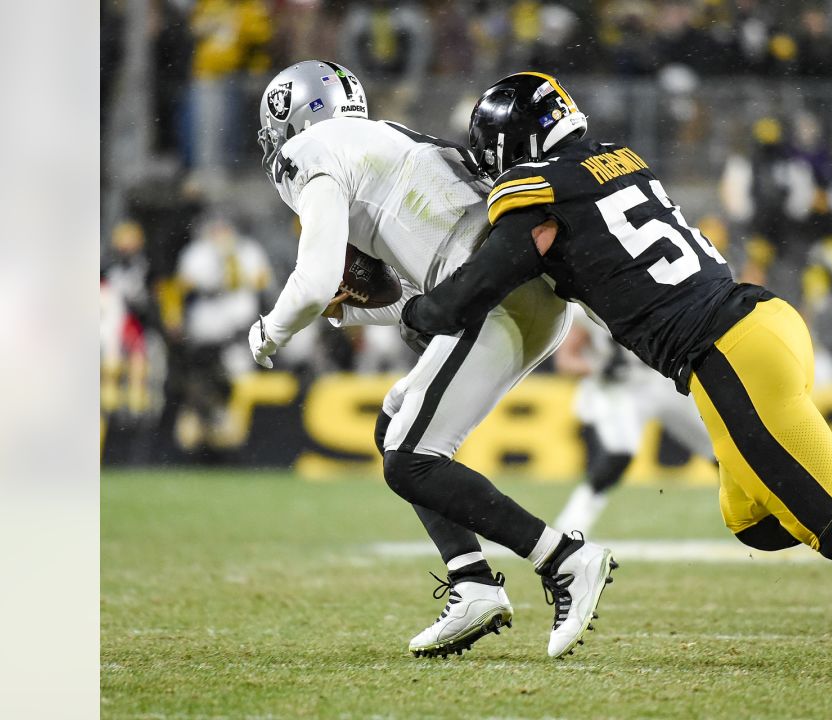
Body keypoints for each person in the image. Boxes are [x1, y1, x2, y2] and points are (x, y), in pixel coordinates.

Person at [401, 72, 832, 656]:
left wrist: (408, 312)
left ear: (516, 143)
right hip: (759, 328)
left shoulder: (537, 192)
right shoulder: (616, 158)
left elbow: (475, 290)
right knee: (757, 522)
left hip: (726, 348)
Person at [247, 61, 616, 660]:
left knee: (410, 461)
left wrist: (269, 332)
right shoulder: (383, 143)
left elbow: (314, 281)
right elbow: (416, 300)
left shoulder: (313, 150)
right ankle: (472, 583)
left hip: (495, 296)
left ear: (293, 114)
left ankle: (565, 559)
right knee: (395, 428)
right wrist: (341, 313)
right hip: (518, 293)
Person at [553, 304, 716, 535]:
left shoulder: (661, 291)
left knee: (720, 450)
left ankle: (754, 509)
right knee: (618, 455)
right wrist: (598, 368)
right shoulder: (588, 307)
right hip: (621, 389)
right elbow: (566, 361)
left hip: (664, 382)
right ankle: (570, 526)